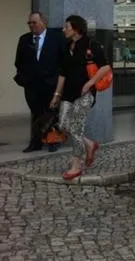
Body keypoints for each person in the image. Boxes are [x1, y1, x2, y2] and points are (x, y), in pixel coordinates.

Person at [49, 15, 111, 180]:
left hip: (85, 94)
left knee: (76, 129)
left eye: (66, 27)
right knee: (63, 124)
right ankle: (89, 144)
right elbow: (63, 73)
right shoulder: (66, 46)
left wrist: (90, 83)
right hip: (68, 94)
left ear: (76, 29)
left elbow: (105, 67)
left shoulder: (91, 45)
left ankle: (76, 165)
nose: (63, 29)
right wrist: (56, 95)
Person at [13, 11, 66, 152]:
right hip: (32, 85)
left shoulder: (56, 37)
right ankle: (36, 142)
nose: (31, 25)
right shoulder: (24, 39)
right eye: (29, 23)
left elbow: (63, 60)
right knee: (36, 113)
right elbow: (18, 61)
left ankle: (53, 140)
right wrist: (25, 76)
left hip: (51, 83)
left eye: (34, 22)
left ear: (43, 22)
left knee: (51, 113)